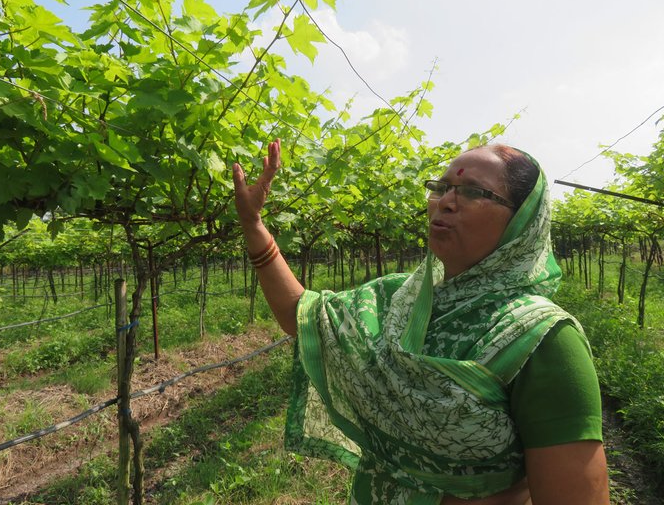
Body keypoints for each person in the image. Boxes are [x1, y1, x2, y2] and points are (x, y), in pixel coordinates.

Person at [232, 139, 609, 505]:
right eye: (441, 187)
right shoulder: (398, 295)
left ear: (522, 220)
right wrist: (253, 224)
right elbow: (303, 315)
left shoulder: (541, 339)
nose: (445, 201)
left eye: (474, 191)